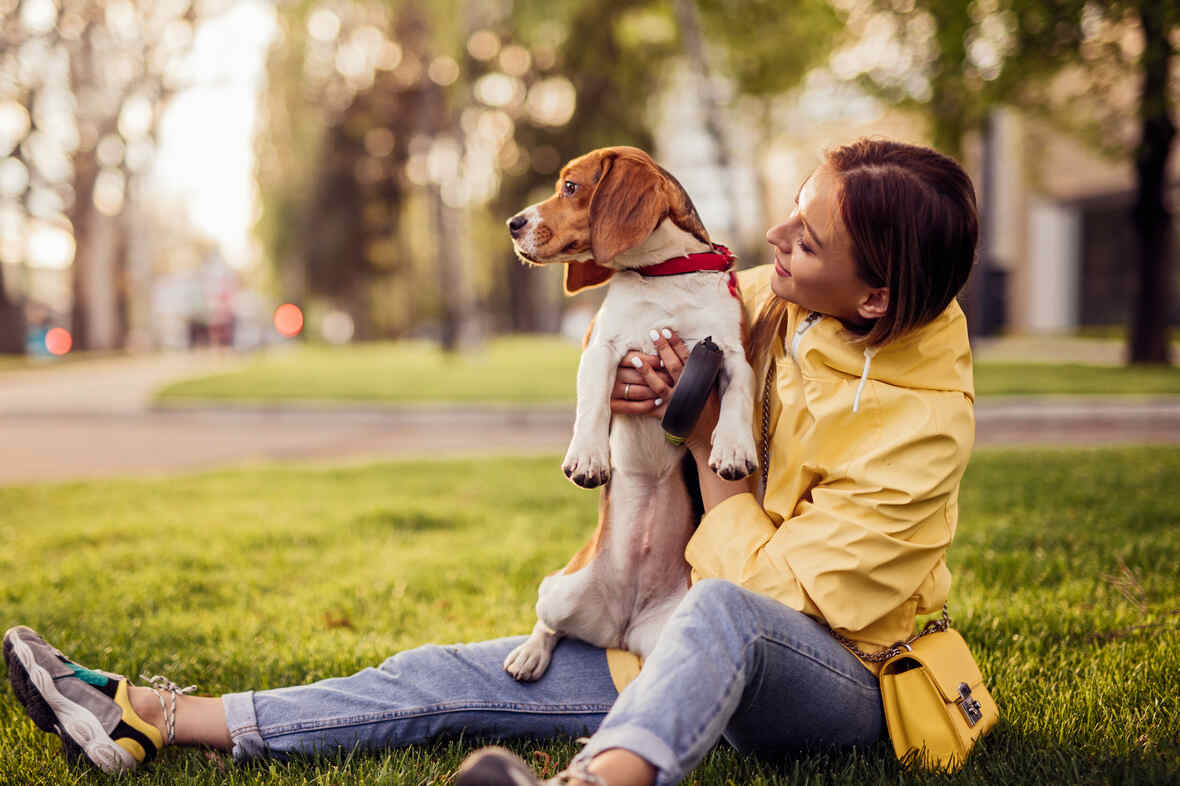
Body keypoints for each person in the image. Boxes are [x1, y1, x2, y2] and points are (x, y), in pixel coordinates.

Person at [5, 138, 978, 786]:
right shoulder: (777, 298)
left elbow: (784, 609)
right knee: (447, 675)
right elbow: (661, 289)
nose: (777, 240)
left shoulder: (921, 430)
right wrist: (633, 373)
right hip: (676, 633)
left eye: (807, 239)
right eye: (791, 215)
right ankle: (153, 718)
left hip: (842, 676)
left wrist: (709, 440)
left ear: (875, 300)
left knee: (726, 611)